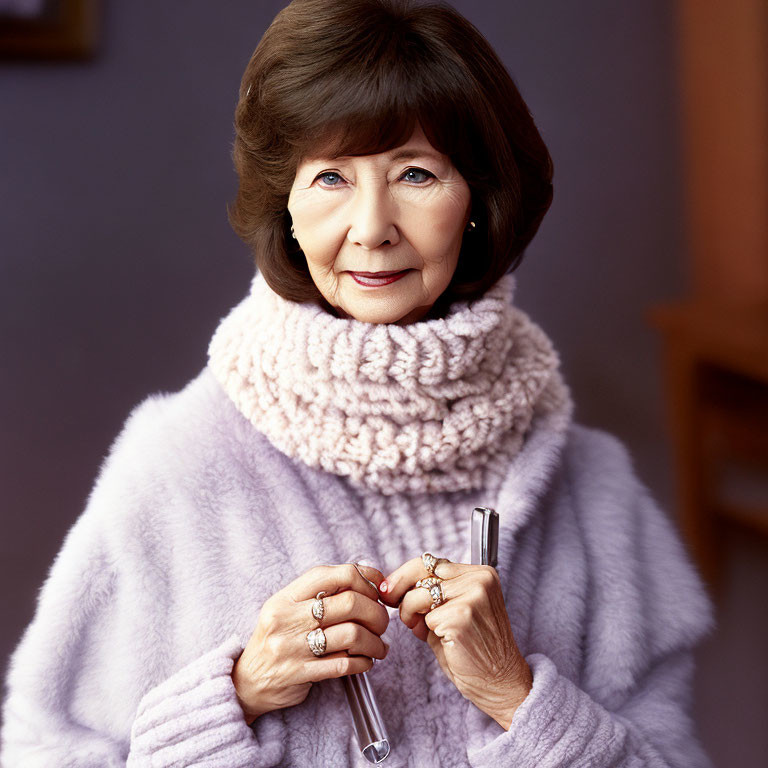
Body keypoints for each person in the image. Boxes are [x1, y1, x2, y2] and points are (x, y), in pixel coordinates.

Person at [1, 0, 715, 765]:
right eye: (331, 176)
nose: (372, 226)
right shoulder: (175, 467)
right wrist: (233, 694)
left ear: (478, 198)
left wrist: (517, 695)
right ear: (287, 207)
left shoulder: (592, 488)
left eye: (415, 173)